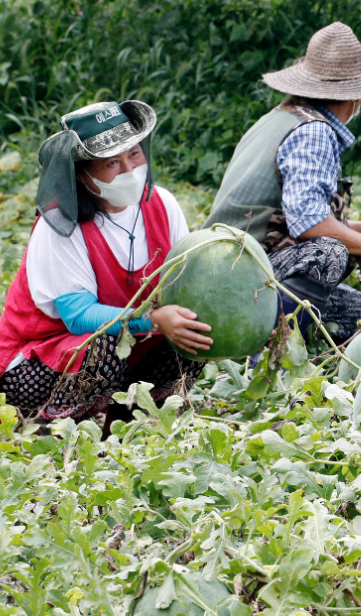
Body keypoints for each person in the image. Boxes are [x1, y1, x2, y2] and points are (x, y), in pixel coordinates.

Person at [205, 22, 361, 343]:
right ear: (355, 97)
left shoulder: (280, 118)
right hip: (235, 280)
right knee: (330, 253)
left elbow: (300, 217)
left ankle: (290, 336)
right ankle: (264, 346)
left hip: (234, 271)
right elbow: (311, 224)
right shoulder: (314, 132)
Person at [0, 101, 211, 426]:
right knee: (103, 347)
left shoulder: (162, 204)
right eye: (112, 162)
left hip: (125, 347)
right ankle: (57, 429)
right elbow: (79, 317)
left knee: (187, 336)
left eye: (134, 154)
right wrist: (154, 320)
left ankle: (131, 424)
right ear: (83, 175)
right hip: (36, 363)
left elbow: (182, 280)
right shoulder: (61, 226)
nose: (129, 169)